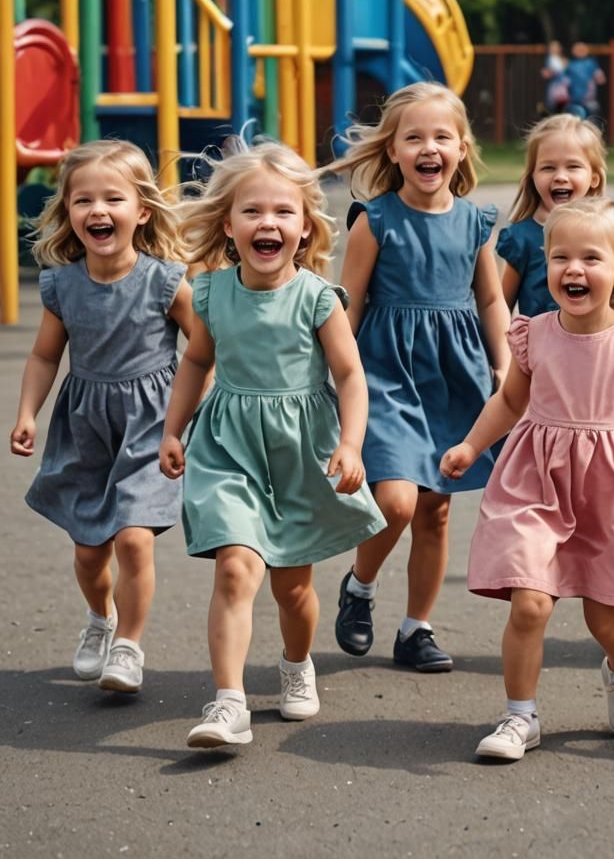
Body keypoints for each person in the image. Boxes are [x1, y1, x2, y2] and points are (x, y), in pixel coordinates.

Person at [439, 197, 614, 761]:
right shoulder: (534, 333)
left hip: (610, 488)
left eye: (591, 258)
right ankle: (519, 716)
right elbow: (510, 401)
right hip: (537, 476)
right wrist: (471, 445)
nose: (572, 270)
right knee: (529, 602)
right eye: (560, 258)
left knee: (608, 619)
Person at [159, 141, 385, 748]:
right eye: (252, 211)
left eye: (283, 212)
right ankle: (228, 702)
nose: (268, 223)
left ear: (305, 226)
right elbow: (196, 362)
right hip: (229, 444)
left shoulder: (316, 297)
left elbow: (350, 376)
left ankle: (295, 662)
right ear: (228, 226)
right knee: (235, 569)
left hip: (300, 449)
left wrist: (352, 443)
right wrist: (173, 430)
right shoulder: (209, 293)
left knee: (292, 589)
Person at [322, 83, 511, 672]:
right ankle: (361, 584)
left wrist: (503, 363)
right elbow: (347, 305)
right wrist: (334, 372)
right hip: (386, 373)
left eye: (441, 137)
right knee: (398, 502)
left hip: (456, 374)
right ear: (394, 151)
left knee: (437, 509)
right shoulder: (375, 221)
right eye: (414, 138)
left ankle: (416, 629)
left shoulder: (477, 221)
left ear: (461, 147)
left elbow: (489, 301)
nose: (429, 148)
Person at [10, 139, 194, 694]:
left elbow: (205, 352)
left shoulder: (164, 280)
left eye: (112, 198)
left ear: (141, 210)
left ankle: (130, 646)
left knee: (135, 539)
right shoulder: (62, 285)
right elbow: (45, 355)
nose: (97, 210)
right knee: (90, 552)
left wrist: (183, 423)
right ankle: (101, 619)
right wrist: (26, 414)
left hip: (150, 426)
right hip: (86, 425)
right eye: (82, 200)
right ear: (67, 211)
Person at [500, 114, 607, 317]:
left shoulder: (607, 234)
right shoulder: (521, 238)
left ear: (593, 177)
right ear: (533, 176)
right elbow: (500, 308)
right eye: (548, 167)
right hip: (539, 347)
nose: (560, 176)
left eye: (573, 166)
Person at [565, 42, 606, 119]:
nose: (580, 51)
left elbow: (601, 78)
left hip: (589, 100)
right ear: (573, 51)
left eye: (582, 49)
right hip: (574, 100)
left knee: (590, 122)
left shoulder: (591, 63)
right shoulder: (570, 64)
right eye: (578, 49)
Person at [541, 40, 569, 114]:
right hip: (555, 87)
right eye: (552, 48)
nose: (554, 49)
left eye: (556, 47)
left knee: (562, 107)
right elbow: (551, 72)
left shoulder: (563, 59)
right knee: (554, 107)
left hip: (564, 87)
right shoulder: (550, 59)